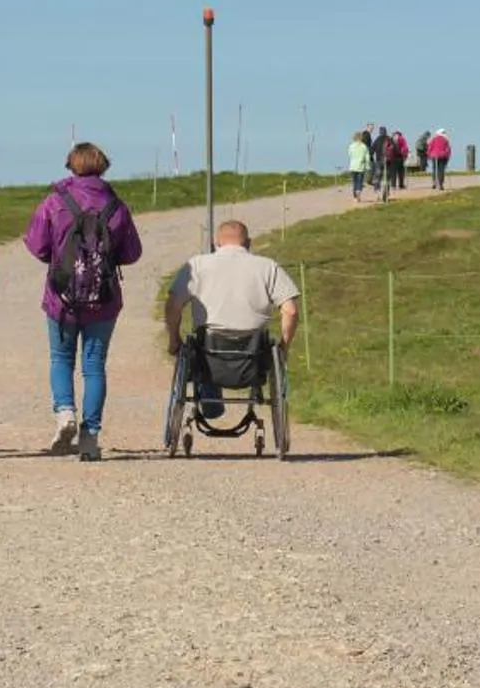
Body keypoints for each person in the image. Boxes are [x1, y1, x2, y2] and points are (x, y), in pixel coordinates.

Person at [22, 141, 144, 462]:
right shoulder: (116, 206)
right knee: (94, 366)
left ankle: (65, 414)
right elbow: (132, 254)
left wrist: (60, 259)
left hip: (61, 298)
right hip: (103, 300)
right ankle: (90, 435)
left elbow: (36, 245)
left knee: (61, 359)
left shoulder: (54, 202)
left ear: (71, 166)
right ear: (102, 166)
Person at [165, 219, 300, 419]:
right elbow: (291, 311)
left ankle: (208, 391)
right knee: (258, 344)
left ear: (215, 243)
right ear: (249, 243)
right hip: (253, 356)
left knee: (198, 348)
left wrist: (174, 340)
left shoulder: (197, 265)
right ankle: (213, 394)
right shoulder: (268, 267)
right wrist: (284, 348)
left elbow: (173, 305)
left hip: (208, 352)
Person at [347, 129, 372, 201]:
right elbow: (367, 158)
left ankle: (355, 196)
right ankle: (359, 191)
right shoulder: (364, 147)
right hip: (361, 167)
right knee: (360, 181)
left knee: (354, 182)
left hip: (353, 166)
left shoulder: (351, 146)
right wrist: (368, 166)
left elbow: (349, 154)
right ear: (361, 138)